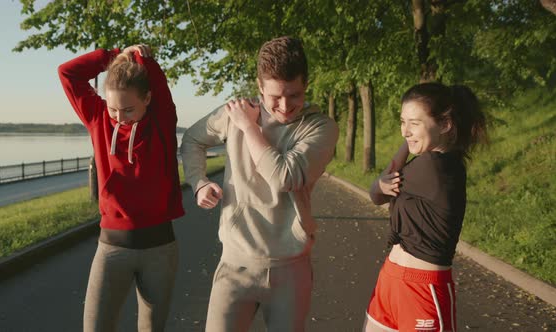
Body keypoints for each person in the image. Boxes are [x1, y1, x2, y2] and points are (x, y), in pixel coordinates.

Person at [180, 36, 339, 331]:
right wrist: (199, 182)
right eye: (275, 96)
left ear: (306, 84)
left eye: (295, 95)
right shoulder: (235, 113)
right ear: (259, 86)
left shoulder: (320, 127)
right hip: (235, 265)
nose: (285, 106)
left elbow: (284, 177)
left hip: (290, 269)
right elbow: (191, 140)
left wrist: (248, 127)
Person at [58, 44, 185, 331]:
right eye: (113, 108)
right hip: (112, 249)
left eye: (128, 109)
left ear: (148, 98)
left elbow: (159, 83)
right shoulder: (97, 119)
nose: (119, 117)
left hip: (159, 250)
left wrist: (142, 58)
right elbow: (67, 73)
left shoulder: (162, 123)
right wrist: (111, 57)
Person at [364, 82, 488, 332]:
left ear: (445, 124)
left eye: (415, 123)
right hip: (392, 279)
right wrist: (414, 136)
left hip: (422, 289)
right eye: (403, 122)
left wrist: (381, 181)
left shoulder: (434, 168)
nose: (405, 131)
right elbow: (381, 188)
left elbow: (377, 193)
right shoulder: (431, 162)